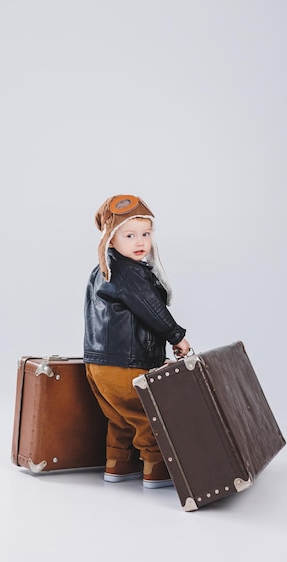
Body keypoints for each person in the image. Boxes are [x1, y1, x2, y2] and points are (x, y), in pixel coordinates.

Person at [83, 194, 190, 488]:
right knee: (146, 416)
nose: (140, 241)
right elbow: (152, 310)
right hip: (127, 365)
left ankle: (118, 464)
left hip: (98, 364)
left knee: (119, 418)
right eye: (129, 235)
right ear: (110, 239)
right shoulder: (130, 272)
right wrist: (177, 337)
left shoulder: (101, 270)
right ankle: (156, 468)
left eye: (145, 233)